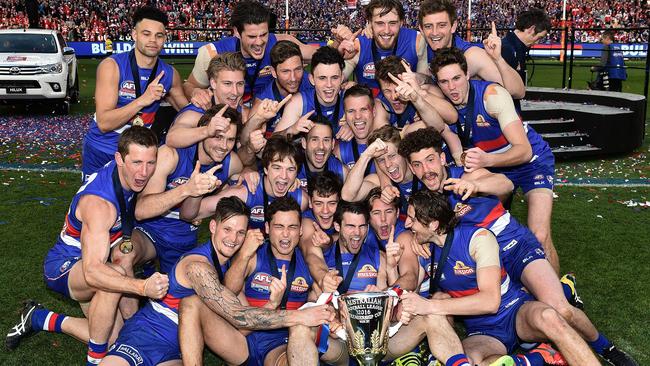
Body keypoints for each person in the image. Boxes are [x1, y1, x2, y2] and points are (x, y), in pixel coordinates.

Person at [398, 127, 639, 366]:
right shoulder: (422, 198)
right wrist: (414, 239)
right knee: (496, 305)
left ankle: (606, 348)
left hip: (514, 248)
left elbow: (505, 184)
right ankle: (533, 348)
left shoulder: (466, 174)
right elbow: (413, 227)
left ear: (442, 158)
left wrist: (477, 186)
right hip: (481, 262)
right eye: (417, 164)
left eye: (430, 160)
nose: (426, 170)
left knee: (558, 310)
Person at [99, 197, 333, 366]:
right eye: (228, 230)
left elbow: (240, 324)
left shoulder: (228, 264)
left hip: (177, 350)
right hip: (148, 335)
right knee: (191, 302)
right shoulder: (198, 267)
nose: (233, 239)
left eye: (240, 232)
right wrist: (299, 316)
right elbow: (237, 315)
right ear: (213, 227)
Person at [6, 127, 169, 365]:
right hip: (66, 267)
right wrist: (142, 287)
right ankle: (94, 361)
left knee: (114, 339)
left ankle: (40, 317)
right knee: (113, 275)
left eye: (150, 163)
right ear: (119, 159)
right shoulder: (100, 204)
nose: (144, 172)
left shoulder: (129, 175)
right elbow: (93, 272)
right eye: (136, 163)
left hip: (94, 259)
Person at [402, 190, 601, 366]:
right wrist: (394, 267)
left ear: (433, 224)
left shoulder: (478, 238)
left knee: (550, 317)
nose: (406, 223)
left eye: (412, 219)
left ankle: (602, 346)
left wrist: (430, 306)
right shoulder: (426, 251)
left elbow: (490, 301)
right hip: (482, 330)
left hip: (515, 310)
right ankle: (533, 359)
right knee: (467, 362)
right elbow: (409, 284)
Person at [431, 48, 560, 274]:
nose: (452, 87)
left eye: (456, 79)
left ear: (467, 75)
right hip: (492, 164)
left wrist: (486, 159)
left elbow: (524, 150)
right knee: (482, 224)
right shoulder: (443, 104)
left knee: (539, 234)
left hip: (530, 162)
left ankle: (558, 293)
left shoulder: (492, 95)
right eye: (444, 82)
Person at [133, 105, 243, 273]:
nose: (224, 146)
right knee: (124, 255)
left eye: (230, 140)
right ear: (204, 133)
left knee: (181, 290)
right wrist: (187, 189)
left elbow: (245, 174)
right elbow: (141, 210)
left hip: (184, 237)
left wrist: (249, 174)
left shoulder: (231, 164)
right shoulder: (171, 154)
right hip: (149, 229)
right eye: (218, 137)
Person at [82, 7, 187, 181]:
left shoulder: (169, 74)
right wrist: (143, 100)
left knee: (136, 206)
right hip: (104, 148)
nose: (153, 40)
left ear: (165, 39)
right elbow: (104, 122)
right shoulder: (112, 66)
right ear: (134, 34)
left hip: (141, 155)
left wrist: (199, 100)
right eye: (146, 34)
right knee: (94, 205)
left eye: (159, 36)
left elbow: (187, 111)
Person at [216, 197, 314, 366]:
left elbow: (316, 302)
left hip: (283, 339)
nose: (285, 234)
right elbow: (228, 291)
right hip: (246, 336)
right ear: (267, 228)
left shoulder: (307, 262)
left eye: (292, 227)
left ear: (300, 231)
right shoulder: (254, 255)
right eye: (279, 227)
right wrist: (245, 254)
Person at [184, 1, 317, 108]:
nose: (259, 42)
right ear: (236, 32)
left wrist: (337, 43)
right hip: (230, 112)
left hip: (268, 109)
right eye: (252, 36)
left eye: (264, 34)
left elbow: (321, 56)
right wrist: (196, 92)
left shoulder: (281, 42)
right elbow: (189, 86)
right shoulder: (212, 53)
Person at [180, 134, 308, 231]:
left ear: (297, 173)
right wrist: (197, 190)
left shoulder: (300, 200)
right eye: (277, 168)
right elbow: (188, 215)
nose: (284, 176)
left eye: (291, 170)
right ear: (265, 168)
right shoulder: (244, 193)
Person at [417, 0, 525, 99]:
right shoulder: (423, 49)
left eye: (441, 25)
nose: (435, 32)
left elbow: (518, 92)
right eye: (428, 26)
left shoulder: (472, 56)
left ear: (453, 26)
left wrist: (498, 60)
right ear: (421, 29)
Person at [333, 0, 428, 95]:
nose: (386, 30)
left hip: (407, 105)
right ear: (370, 23)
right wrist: (337, 51)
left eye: (392, 23)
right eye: (380, 23)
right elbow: (333, 82)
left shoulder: (416, 40)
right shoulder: (359, 45)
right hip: (370, 107)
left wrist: (413, 78)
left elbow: (427, 82)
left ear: (402, 22)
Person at [275, 46, 347, 137]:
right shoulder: (298, 103)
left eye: (334, 77)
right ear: (312, 79)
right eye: (322, 78)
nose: (329, 84)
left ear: (342, 78)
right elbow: (273, 143)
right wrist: (291, 129)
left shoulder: (350, 99)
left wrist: (354, 126)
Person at [501, 8, 551, 110]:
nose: (537, 42)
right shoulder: (507, 49)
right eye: (539, 38)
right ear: (531, 29)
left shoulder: (515, 48)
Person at [296, 115, 348, 188]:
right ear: (304, 143)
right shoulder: (292, 170)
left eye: (326, 140)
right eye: (315, 139)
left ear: (332, 144)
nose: (321, 146)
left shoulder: (341, 173)